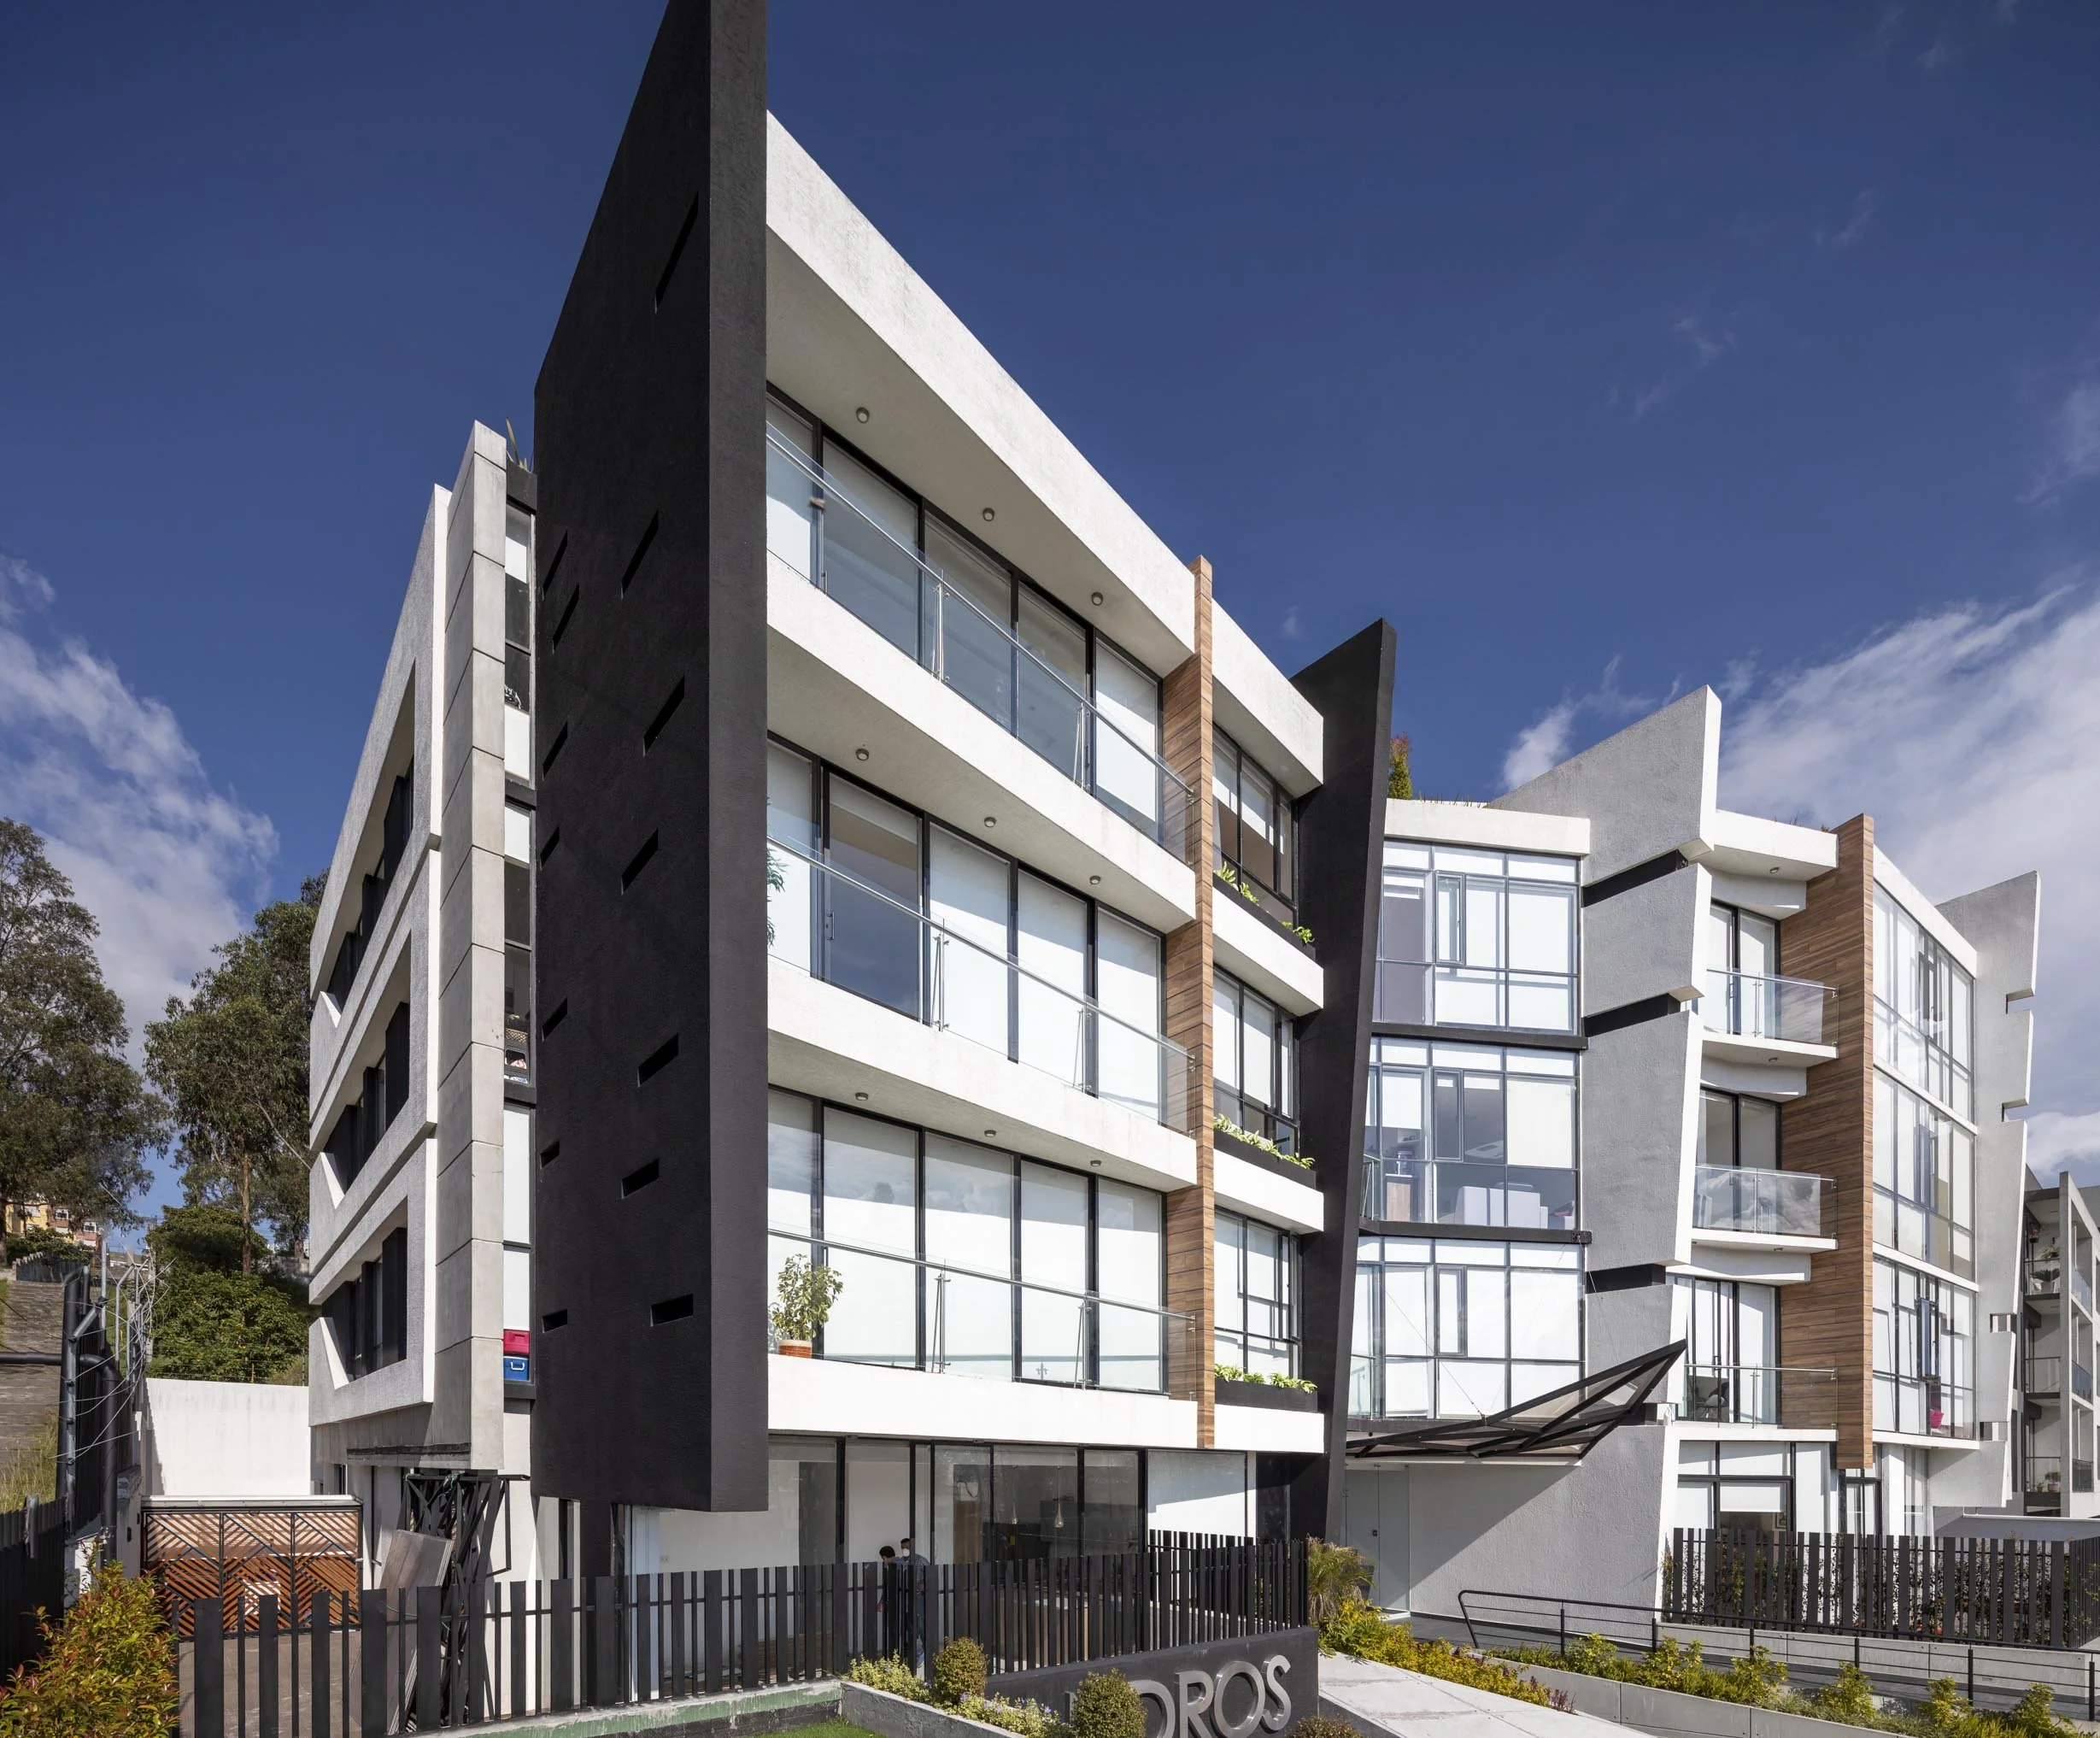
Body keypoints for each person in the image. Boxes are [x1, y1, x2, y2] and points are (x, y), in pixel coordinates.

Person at [898, 1536, 930, 1665]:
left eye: (907, 1547)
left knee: (920, 1624)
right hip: (905, 1598)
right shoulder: (901, 1562)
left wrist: (921, 1585)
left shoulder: (920, 1560)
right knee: (908, 1626)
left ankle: (925, 1652)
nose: (905, 1550)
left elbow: (930, 1575)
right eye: (903, 1548)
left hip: (918, 1597)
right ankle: (911, 1653)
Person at [876, 1545, 898, 1657]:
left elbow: (889, 1588)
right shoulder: (902, 1563)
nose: (884, 1562)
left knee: (895, 1630)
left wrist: (881, 1602)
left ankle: (895, 1654)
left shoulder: (894, 1567)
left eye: (884, 1559)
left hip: (896, 1604)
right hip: (899, 1603)